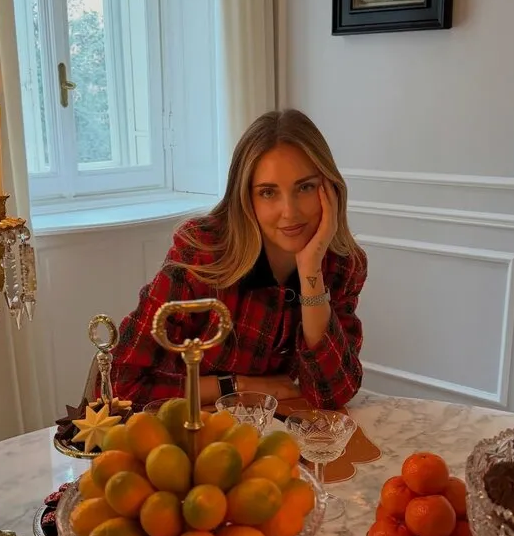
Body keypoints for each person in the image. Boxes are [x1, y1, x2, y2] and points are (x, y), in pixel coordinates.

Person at [107, 109, 368, 411]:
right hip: (186, 429)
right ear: (246, 198)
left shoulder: (342, 265)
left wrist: (311, 270)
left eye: (305, 187)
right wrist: (237, 386)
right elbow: (122, 383)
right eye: (268, 192)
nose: (290, 212)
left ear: (330, 190)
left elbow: (332, 394)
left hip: (269, 430)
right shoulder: (204, 252)